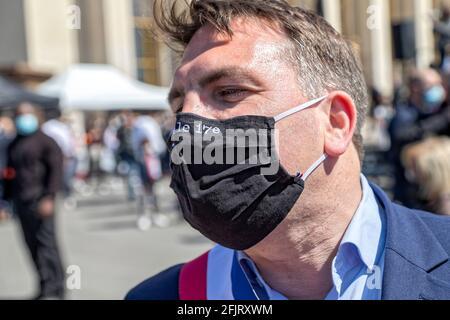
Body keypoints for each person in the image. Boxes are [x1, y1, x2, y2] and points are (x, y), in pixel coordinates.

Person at [127, 0, 450, 300]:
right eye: (180, 104)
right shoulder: (167, 295)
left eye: (228, 92)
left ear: (335, 122)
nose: (189, 121)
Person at [2, 103, 65, 299]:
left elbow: (56, 171)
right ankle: (44, 285)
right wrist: (4, 202)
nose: (23, 118)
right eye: (19, 115)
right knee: (31, 246)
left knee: (47, 245)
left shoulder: (46, 141)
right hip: (22, 202)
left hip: (41, 200)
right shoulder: (14, 143)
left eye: (27, 114)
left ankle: (58, 287)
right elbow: (8, 175)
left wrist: (50, 197)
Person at [389, 69, 450, 209]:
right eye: (432, 85)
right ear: (415, 87)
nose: (438, 89)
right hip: (412, 195)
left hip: (434, 193)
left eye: (439, 84)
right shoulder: (403, 116)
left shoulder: (433, 110)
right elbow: (402, 136)